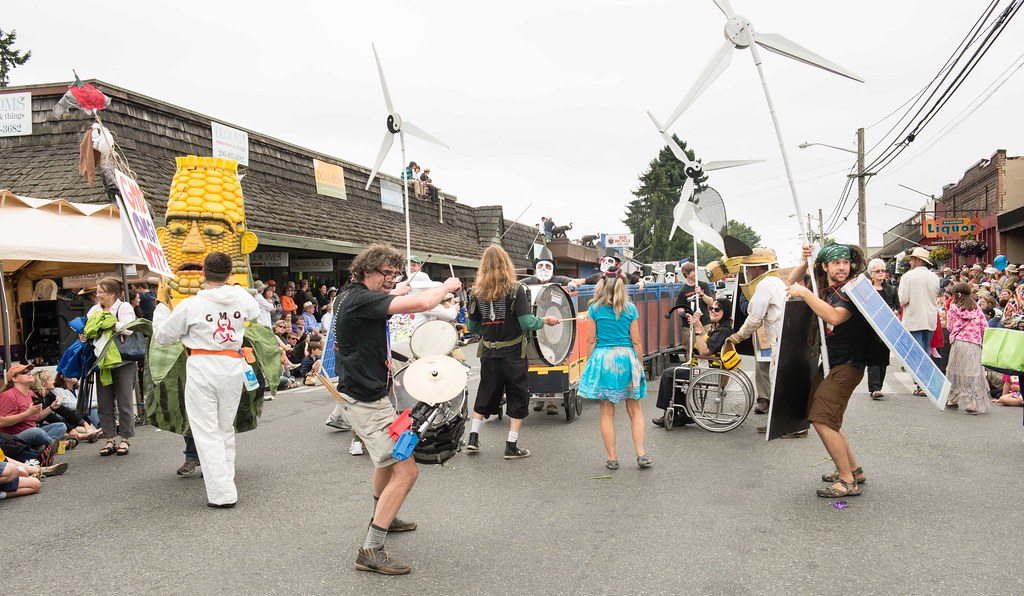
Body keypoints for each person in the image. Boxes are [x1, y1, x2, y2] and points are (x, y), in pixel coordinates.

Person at [330, 243, 460, 574]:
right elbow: (422, 301)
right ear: (366, 271)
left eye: (395, 274)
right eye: (386, 273)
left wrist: (398, 287)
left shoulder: (350, 295)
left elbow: (395, 297)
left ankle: (385, 514)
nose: (392, 279)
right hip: (365, 401)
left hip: (365, 394)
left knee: (385, 463)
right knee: (407, 470)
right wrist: (445, 287)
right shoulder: (361, 299)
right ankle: (370, 550)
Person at [153, 252, 261, 508]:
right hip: (232, 364)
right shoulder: (239, 297)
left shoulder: (191, 305)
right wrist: (235, 287)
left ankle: (222, 493)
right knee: (224, 429)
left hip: (203, 366)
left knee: (206, 432)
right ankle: (225, 482)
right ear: (229, 274)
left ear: (203, 273)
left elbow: (164, 337)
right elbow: (254, 310)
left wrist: (160, 307)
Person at [786, 243, 880, 498]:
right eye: (836, 263)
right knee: (827, 417)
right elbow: (790, 284)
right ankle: (853, 469)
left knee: (822, 418)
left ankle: (847, 481)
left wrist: (806, 295)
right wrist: (805, 263)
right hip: (832, 362)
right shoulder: (825, 289)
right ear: (825, 266)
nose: (842, 267)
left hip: (849, 364)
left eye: (845, 263)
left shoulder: (852, 292)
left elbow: (836, 318)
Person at [465, 246, 559, 459]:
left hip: (489, 354)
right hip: (514, 354)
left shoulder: (476, 292)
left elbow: (472, 327)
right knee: (518, 396)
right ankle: (511, 446)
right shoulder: (516, 289)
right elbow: (526, 322)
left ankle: (473, 438)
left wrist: (488, 330)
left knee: (486, 392)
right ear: (506, 264)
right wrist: (545, 320)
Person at [578, 267, 651, 469]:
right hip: (626, 357)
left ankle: (612, 457)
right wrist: (639, 363)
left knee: (606, 412)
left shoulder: (594, 309)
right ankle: (641, 453)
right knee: (635, 410)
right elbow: (636, 341)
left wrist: (589, 364)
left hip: (604, 358)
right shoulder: (630, 309)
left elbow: (591, 340)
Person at [653, 298, 734, 427]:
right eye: (711, 308)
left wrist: (697, 328)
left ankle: (674, 412)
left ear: (726, 312)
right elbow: (706, 339)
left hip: (708, 371)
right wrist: (698, 323)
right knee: (678, 373)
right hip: (708, 368)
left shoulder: (723, 331)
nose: (713, 311)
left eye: (717, 309)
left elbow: (704, 350)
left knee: (669, 374)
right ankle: (681, 412)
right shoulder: (720, 329)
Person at [727, 249, 787, 419]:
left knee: (777, 381)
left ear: (757, 268)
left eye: (749, 269)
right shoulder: (776, 282)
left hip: (779, 338)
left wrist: (737, 337)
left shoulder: (765, 285)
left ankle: (783, 425)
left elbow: (754, 318)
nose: (748, 272)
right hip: (784, 337)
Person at [84, 276, 138, 457]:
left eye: (101, 292)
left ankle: (125, 438)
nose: (97, 295)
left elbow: (129, 329)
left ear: (112, 294)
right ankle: (109, 438)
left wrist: (110, 323)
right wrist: (84, 334)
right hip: (101, 359)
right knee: (104, 402)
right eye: (97, 291)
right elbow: (88, 329)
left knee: (124, 401)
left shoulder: (124, 307)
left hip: (123, 360)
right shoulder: (93, 309)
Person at [898, 247, 940, 397]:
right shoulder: (934, 277)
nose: (910, 262)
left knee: (916, 352)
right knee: (926, 350)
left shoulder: (908, 276)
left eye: (911, 259)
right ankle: (926, 381)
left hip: (914, 318)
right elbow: (936, 294)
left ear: (916, 260)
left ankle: (921, 384)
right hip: (929, 317)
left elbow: (903, 299)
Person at [0, 363, 69, 456]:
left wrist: (51, 408)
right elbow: (2, 422)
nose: (29, 373)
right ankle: (54, 445)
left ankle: (43, 447)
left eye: (29, 371)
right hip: (15, 437)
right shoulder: (8, 395)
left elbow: (36, 418)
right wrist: (27, 413)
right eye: (24, 372)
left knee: (60, 426)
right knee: (36, 432)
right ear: (14, 379)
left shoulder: (31, 393)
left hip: (33, 431)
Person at [944, 282, 989, 414]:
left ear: (957, 294)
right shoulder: (976, 308)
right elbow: (984, 326)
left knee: (955, 370)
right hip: (974, 343)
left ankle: (953, 398)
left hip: (959, 342)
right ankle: (973, 402)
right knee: (973, 372)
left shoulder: (953, 308)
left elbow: (950, 326)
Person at [866, 258, 898, 400]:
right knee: (873, 357)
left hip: (887, 327)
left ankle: (879, 385)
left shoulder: (891, 289)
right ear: (871, 274)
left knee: (883, 359)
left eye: (882, 271)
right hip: (870, 328)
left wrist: (896, 311)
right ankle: (874, 388)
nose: (880, 273)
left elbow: (897, 307)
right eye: (877, 271)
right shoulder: (867, 290)